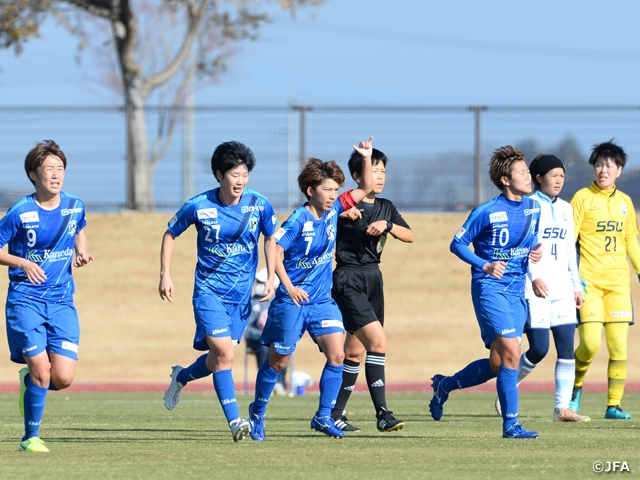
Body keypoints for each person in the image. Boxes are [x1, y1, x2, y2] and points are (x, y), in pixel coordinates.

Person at [247, 137, 373, 441]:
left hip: (321, 301)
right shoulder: (299, 219)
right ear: (310, 191)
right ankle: (258, 413)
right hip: (291, 302)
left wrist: (366, 158)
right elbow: (274, 247)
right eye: (327, 190)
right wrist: (285, 286)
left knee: (337, 355)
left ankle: (323, 416)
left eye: (335, 190)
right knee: (279, 361)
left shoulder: (333, 211)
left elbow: (366, 187)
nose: (333, 195)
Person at [159, 141, 278, 442]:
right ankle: (236, 422)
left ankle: (181, 376)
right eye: (234, 174)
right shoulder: (199, 205)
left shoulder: (259, 204)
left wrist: (272, 275)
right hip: (209, 293)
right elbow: (170, 233)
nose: (240, 181)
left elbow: (270, 238)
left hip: (240, 299)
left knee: (217, 360)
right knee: (225, 353)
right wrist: (165, 274)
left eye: (245, 174)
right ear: (219, 174)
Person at [429, 145, 542, 439]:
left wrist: (534, 258)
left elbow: (528, 246)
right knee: (513, 354)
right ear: (505, 180)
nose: (528, 177)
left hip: (518, 291)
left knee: (499, 362)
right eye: (522, 172)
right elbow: (457, 244)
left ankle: (445, 385)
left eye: (528, 172)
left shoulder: (534, 208)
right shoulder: (487, 212)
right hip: (490, 289)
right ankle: (511, 425)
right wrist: (485, 265)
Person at [0, 140, 94, 453]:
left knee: (63, 378)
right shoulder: (20, 212)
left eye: (60, 169)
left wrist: (81, 251)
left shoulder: (74, 204)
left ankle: (31, 384)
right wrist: (22, 262)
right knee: (43, 372)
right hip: (25, 301)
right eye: (48, 169)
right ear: (33, 174)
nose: (55, 175)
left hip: (62, 302)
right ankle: (30, 438)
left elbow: (78, 226)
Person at [493, 154, 590, 422]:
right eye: (553, 175)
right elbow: (524, 246)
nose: (558, 180)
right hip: (534, 285)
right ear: (539, 178)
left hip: (561, 288)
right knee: (538, 349)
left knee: (567, 348)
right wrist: (534, 276)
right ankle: (506, 392)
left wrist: (575, 284)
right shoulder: (528, 205)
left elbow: (570, 249)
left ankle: (562, 409)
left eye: (562, 176)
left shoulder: (566, 209)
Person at [329, 147, 414, 433]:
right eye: (372, 171)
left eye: (382, 171)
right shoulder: (341, 202)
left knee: (354, 353)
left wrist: (388, 225)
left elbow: (410, 235)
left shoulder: (386, 206)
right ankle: (382, 413)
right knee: (378, 342)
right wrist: (340, 214)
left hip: (373, 280)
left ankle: (334, 413)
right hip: (348, 278)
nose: (379, 177)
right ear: (357, 176)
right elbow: (322, 213)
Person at [568, 140, 640, 420]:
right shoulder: (582, 198)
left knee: (619, 347)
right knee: (590, 344)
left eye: (608, 165)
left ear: (619, 170)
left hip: (619, 286)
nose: (602, 170)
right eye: (598, 164)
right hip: (589, 284)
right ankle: (574, 392)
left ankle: (614, 405)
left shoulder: (625, 202)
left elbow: (631, 243)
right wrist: (573, 278)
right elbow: (568, 241)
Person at [244, 268, 287, 395]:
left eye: (261, 282)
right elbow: (247, 329)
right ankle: (266, 383)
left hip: (276, 339)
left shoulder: (279, 302)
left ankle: (279, 384)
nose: (258, 284)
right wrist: (263, 335)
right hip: (257, 341)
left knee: (282, 348)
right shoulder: (252, 302)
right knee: (264, 348)